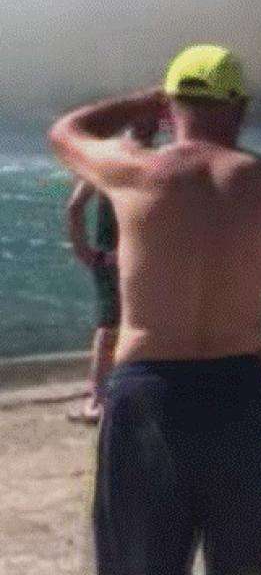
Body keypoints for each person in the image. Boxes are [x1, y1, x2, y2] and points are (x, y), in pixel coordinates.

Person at [47, 43, 261, 575]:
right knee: (249, 563)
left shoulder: (134, 173)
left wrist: (143, 101)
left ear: (169, 109)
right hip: (241, 390)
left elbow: (66, 131)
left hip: (148, 394)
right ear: (242, 110)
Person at [65, 119, 158, 424]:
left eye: (152, 125)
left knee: (142, 329)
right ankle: (97, 398)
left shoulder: (156, 164)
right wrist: (83, 249)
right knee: (109, 329)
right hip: (111, 259)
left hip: (142, 259)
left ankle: (127, 397)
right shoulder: (109, 164)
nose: (148, 130)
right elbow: (75, 205)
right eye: (143, 125)